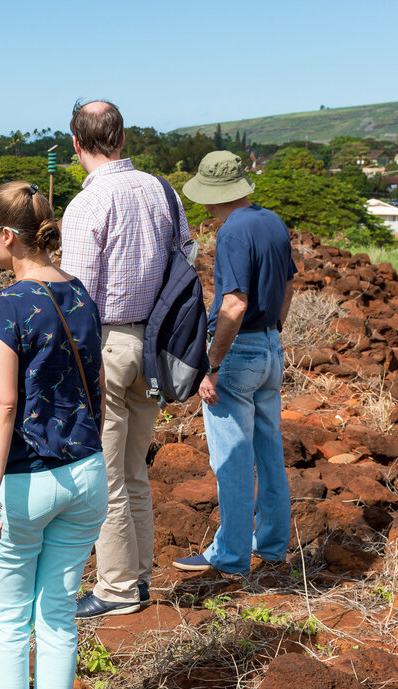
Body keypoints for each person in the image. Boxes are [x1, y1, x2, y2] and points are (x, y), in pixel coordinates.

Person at [0, 181, 107, 689]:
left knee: (7, 620)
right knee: (57, 615)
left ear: (7, 235)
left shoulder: (6, 306)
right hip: (85, 474)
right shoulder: (80, 293)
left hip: (26, 481)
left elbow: (1, 405)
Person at [61, 99, 193, 618]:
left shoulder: (87, 204)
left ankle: (116, 590)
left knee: (108, 474)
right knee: (134, 468)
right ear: (122, 138)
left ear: (77, 144)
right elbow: (187, 257)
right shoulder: (164, 191)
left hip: (108, 345)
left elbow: (78, 296)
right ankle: (137, 580)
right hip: (157, 343)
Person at [173, 151, 294, 576]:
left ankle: (231, 556)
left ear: (211, 194)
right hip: (270, 348)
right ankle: (274, 545)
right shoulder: (272, 221)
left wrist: (212, 364)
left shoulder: (231, 233)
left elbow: (234, 303)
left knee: (233, 459)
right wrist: (274, 328)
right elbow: (288, 285)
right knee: (269, 452)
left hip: (238, 353)